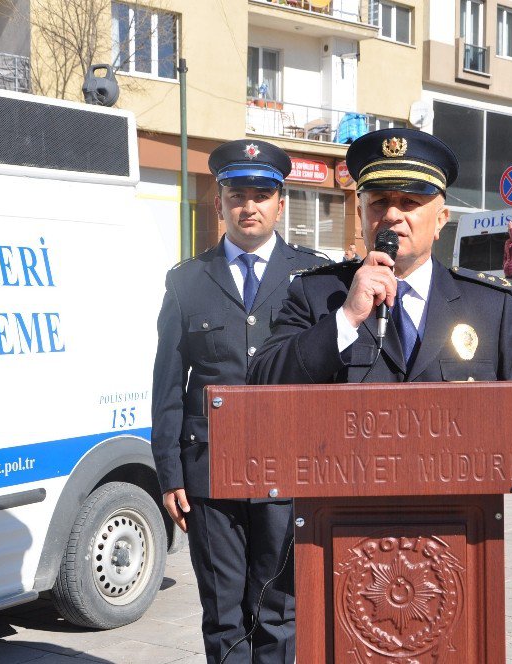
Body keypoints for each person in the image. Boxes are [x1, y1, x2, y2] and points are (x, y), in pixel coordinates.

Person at [150, 138, 326, 663]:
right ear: (220, 202)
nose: (248, 206)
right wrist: (170, 473)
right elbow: (167, 384)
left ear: (280, 202)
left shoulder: (312, 279)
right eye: (237, 194)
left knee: (279, 611)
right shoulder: (187, 281)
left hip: (287, 471)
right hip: (209, 474)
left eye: (261, 193)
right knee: (224, 612)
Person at [248, 127, 512, 385]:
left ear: (441, 220)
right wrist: (346, 318)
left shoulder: (489, 306)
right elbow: (262, 381)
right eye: (380, 202)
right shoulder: (317, 294)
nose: (391, 215)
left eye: (409, 202)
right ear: (361, 216)